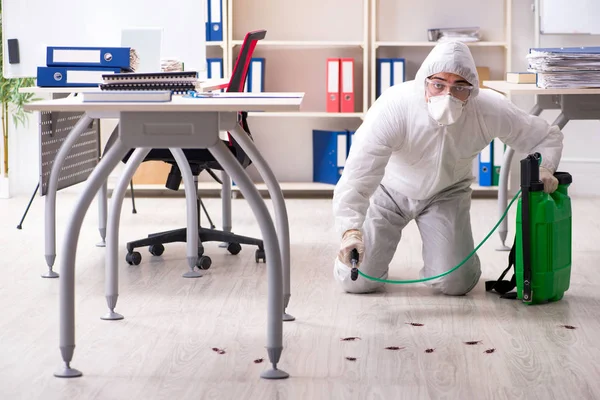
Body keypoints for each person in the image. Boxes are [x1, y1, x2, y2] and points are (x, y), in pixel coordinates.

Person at [332, 41, 564, 296]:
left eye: (460, 87)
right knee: (356, 280)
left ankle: (455, 260)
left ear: (472, 90)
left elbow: (546, 136)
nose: (448, 95)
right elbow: (358, 173)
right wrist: (350, 229)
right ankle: (370, 259)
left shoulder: (488, 109)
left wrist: (545, 167)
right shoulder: (394, 106)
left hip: (447, 194)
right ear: (425, 81)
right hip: (389, 190)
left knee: (455, 283)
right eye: (438, 84)